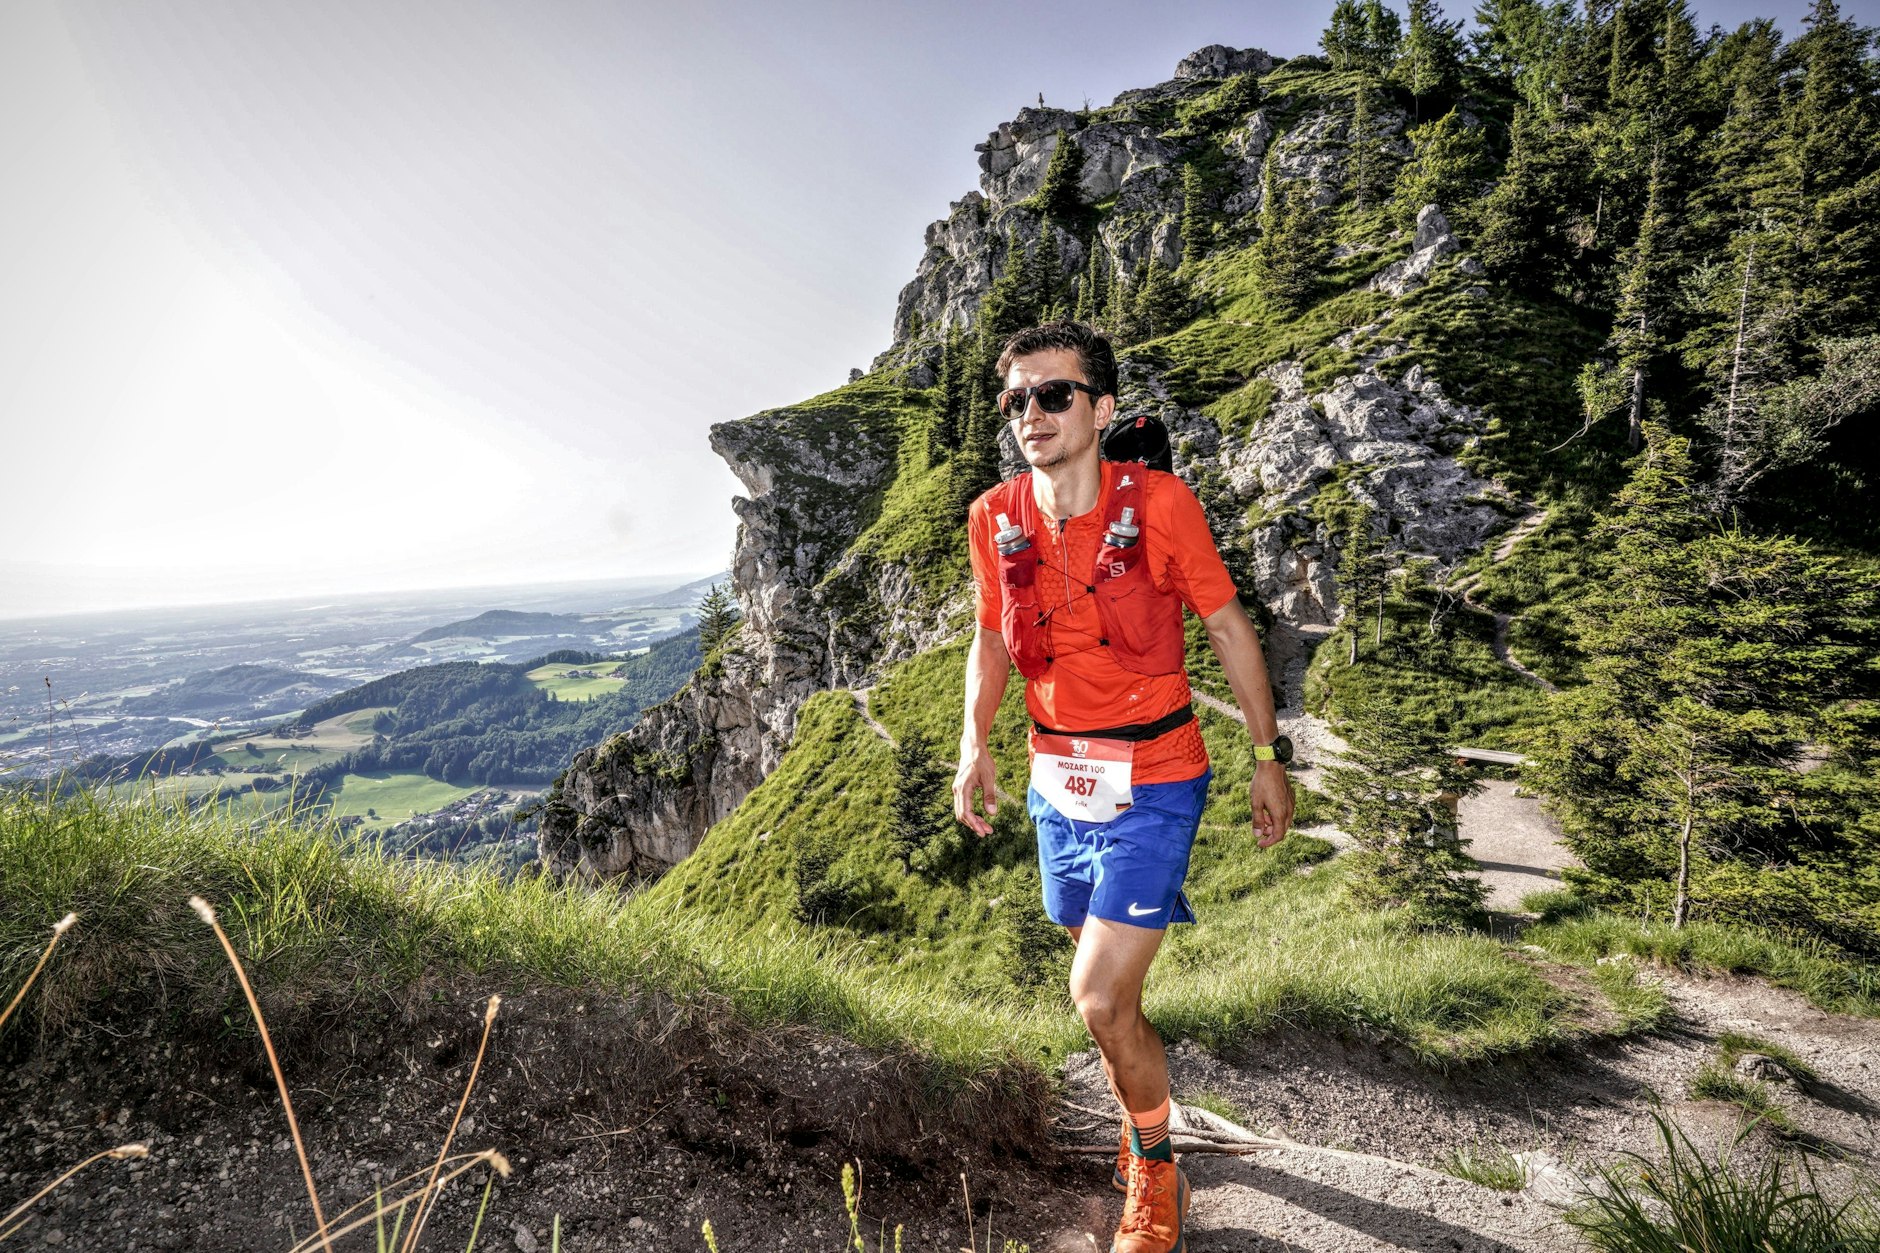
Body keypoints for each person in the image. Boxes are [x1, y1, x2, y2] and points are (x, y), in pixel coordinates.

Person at [953, 320, 1294, 1253]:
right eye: (1016, 399)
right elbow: (990, 639)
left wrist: (1270, 756)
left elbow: (1226, 627)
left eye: (1053, 394)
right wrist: (973, 743)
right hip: (1055, 784)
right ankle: (1144, 1111)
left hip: (1156, 777)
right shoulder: (994, 516)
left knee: (1097, 997)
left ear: (1100, 409)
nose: (1032, 414)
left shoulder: (1164, 505)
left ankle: (1154, 1166)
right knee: (1114, 1002)